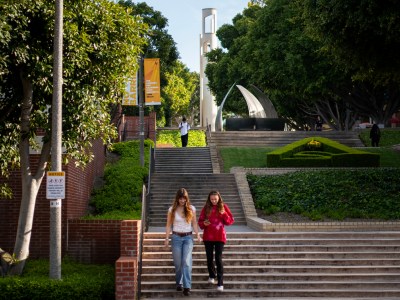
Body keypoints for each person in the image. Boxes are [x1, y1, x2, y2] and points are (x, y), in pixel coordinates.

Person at [165, 188, 202, 296]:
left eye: (184, 198)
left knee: (186, 261)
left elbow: (194, 223)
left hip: (188, 238)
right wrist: (166, 238)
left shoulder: (191, 209)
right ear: (177, 198)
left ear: (187, 198)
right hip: (176, 237)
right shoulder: (172, 209)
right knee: (178, 263)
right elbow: (168, 225)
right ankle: (179, 282)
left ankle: (187, 287)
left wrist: (198, 235)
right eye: (180, 198)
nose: (182, 201)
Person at [198, 191, 234, 292]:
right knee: (209, 258)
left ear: (219, 198)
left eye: (215, 199)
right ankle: (212, 275)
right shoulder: (206, 208)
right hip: (208, 237)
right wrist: (204, 223)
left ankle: (220, 283)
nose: (213, 201)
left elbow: (230, 221)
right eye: (212, 199)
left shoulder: (223, 207)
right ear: (209, 199)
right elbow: (200, 223)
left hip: (220, 236)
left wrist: (224, 214)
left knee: (218, 259)